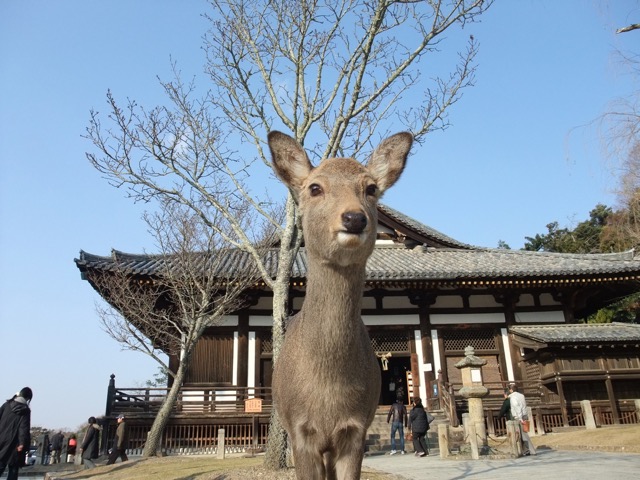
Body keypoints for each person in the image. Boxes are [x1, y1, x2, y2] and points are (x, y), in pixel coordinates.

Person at [0, 387, 32, 480]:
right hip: (15, 444)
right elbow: (24, 428)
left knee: (1, 464)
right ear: (27, 398)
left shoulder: (6, 405)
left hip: (2, 440)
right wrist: (22, 443)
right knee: (13, 469)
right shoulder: (25, 410)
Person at [508, 384, 536, 456]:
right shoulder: (521, 396)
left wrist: (520, 418)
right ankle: (525, 450)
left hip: (519, 417)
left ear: (511, 390)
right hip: (525, 415)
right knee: (522, 434)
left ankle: (531, 450)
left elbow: (517, 407)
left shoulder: (513, 397)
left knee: (524, 435)